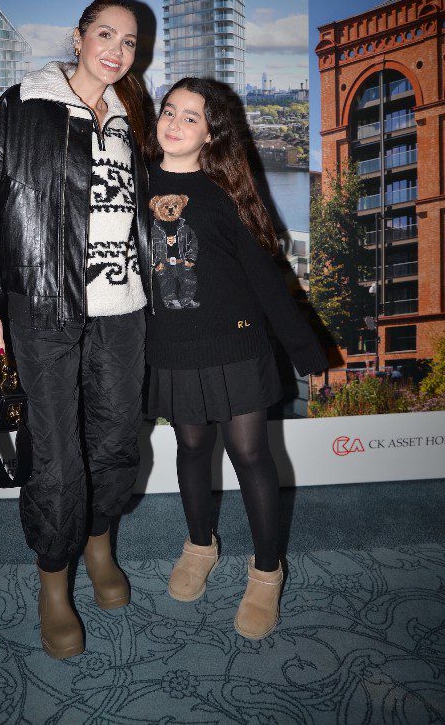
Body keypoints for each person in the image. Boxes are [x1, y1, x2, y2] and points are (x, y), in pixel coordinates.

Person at [0, 0, 152, 660]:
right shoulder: (25, 104)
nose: (117, 50)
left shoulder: (131, 115)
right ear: (78, 37)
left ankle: (98, 545)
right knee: (56, 454)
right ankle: (53, 580)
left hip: (122, 307)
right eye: (106, 34)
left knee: (117, 439)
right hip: (43, 305)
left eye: (129, 41)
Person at [144, 77, 329, 640]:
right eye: (169, 111)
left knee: (250, 454)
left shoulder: (225, 191)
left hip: (236, 344)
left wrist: (305, 350)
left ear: (211, 133)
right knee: (192, 447)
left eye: (191, 117)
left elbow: (266, 278)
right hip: (172, 344)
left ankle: (267, 570)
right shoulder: (135, 183)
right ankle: (200, 545)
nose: (175, 123)